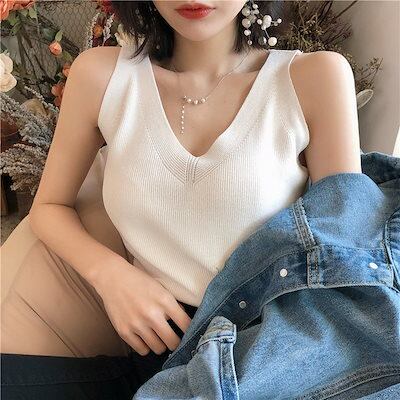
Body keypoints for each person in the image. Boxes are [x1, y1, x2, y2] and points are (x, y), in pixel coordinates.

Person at [1, 1, 363, 398]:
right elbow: (49, 207)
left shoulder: (313, 77)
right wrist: (112, 276)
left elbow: (347, 256)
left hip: (268, 360)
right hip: (158, 353)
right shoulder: (102, 76)